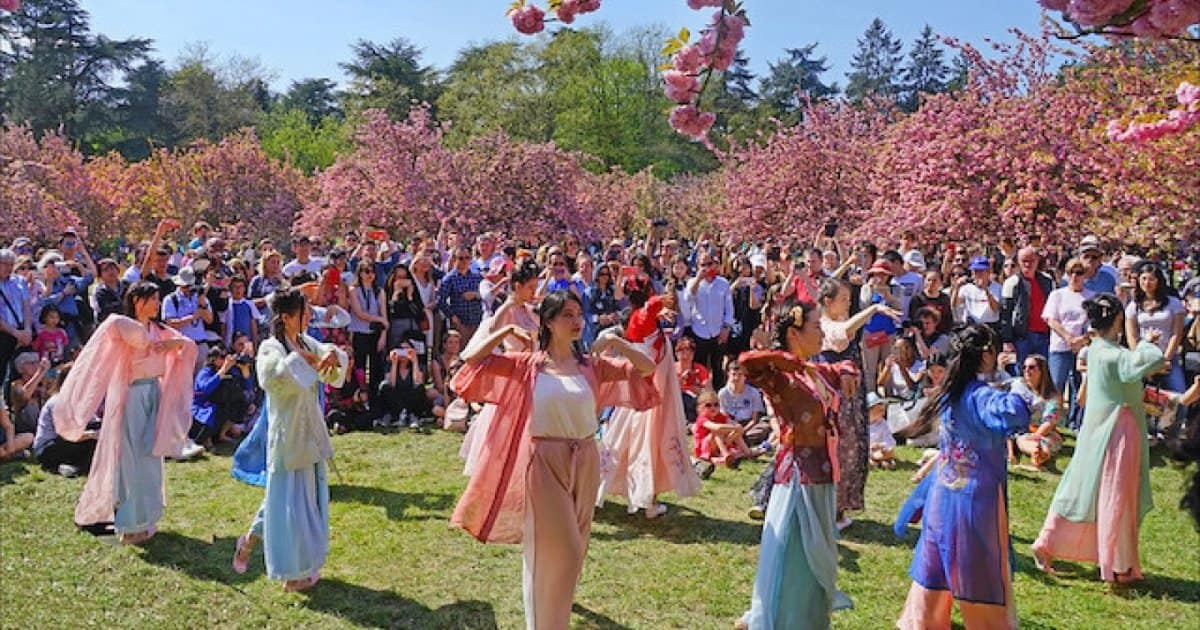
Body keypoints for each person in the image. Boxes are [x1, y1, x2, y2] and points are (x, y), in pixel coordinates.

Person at [449, 290, 657, 630]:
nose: (577, 322)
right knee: (567, 551)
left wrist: (616, 342)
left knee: (571, 554)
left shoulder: (592, 366)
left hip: (586, 459)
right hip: (545, 460)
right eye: (568, 315)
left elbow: (647, 368)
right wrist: (504, 333)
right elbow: (472, 358)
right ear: (548, 322)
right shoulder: (529, 364)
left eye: (579, 315)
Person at [894, 325, 1030, 630]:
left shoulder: (952, 392)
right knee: (977, 569)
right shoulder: (980, 396)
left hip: (944, 493)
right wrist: (1016, 380)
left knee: (936, 565)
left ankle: (925, 622)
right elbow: (1016, 413)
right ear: (987, 355)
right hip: (976, 498)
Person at [735, 302, 857, 630]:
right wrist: (789, 361)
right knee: (796, 554)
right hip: (796, 479)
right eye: (816, 326)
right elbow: (746, 362)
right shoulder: (779, 377)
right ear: (794, 333)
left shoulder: (815, 372)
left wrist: (846, 370)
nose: (822, 332)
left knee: (818, 554)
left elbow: (845, 365)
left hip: (823, 474)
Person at [1032, 294, 1166, 585]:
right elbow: (1151, 361)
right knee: (1117, 495)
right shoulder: (1113, 355)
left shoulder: (1096, 350)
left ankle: (1048, 542)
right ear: (1117, 319)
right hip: (1119, 430)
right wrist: (1146, 342)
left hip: (1101, 429)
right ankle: (1118, 563)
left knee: (1082, 488)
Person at [52, 281, 197, 544]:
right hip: (133, 396)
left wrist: (173, 343)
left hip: (154, 393)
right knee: (131, 459)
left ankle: (146, 518)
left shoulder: (158, 329)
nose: (157, 303)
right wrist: (150, 336)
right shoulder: (125, 327)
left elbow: (188, 347)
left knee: (150, 457)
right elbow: (119, 328)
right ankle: (130, 524)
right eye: (152, 299)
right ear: (138, 301)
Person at [231, 288, 348, 592]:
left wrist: (334, 355)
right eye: (303, 311)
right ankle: (291, 572)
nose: (309, 315)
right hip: (287, 436)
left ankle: (251, 542)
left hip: (310, 431)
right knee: (288, 504)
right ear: (285, 317)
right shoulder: (270, 347)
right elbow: (272, 379)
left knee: (299, 501)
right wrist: (303, 360)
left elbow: (329, 364)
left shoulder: (307, 340)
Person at [597, 277, 701, 517]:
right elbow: (658, 304)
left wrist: (659, 309)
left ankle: (640, 494)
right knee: (649, 440)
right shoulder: (643, 317)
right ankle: (647, 499)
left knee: (634, 438)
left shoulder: (641, 319)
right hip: (655, 392)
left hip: (651, 389)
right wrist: (662, 300)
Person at [458, 261, 541, 476]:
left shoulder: (530, 311)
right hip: (515, 371)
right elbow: (493, 332)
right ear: (517, 286)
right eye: (530, 287)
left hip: (533, 371)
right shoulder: (508, 310)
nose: (534, 291)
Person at [1125, 261, 1187, 435]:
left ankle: (1172, 433)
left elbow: (1177, 333)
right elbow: (1131, 335)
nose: (1147, 283)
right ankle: (1145, 431)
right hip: (1143, 359)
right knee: (1140, 396)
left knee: (1179, 394)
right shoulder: (1134, 306)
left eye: (1151, 279)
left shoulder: (1173, 304)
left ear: (1159, 280)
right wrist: (1140, 358)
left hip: (1168, 357)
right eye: (1143, 279)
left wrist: (1165, 360)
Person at [1043, 257, 1095, 429]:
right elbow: (1051, 319)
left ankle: (1076, 423)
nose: (1074, 276)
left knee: (1079, 386)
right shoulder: (1057, 295)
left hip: (1082, 348)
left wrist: (1082, 340)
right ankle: (1050, 422)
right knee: (1056, 385)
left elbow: (1093, 324)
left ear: (1085, 275)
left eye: (1079, 273)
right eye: (1070, 272)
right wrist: (1068, 337)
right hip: (1059, 346)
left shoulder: (1091, 297)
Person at [33, 366, 98, 477]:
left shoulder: (80, 401)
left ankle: (75, 466)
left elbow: (93, 422)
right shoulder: (58, 402)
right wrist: (92, 434)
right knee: (92, 440)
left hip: (66, 441)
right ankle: (77, 466)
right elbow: (66, 433)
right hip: (48, 449)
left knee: (100, 428)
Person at [687, 252, 734, 390]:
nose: (707, 267)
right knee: (700, 368)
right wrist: (699, 279)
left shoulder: (723, 283)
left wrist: (726, 328)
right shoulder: (692, 282)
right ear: (697, 266)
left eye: (709, 264)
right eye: (703, 264)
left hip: (718, 332)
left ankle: (719, 397)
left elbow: (729, 308)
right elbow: (689, 298)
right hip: (699, 332)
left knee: (718, 367)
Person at [1009, 354, 1065, 471]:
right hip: (1022, 431)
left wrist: (1036, 436)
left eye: (1031, 367)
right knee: (1023, 440)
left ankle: (1040, 454)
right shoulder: (1017, 384)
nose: (1026, 371)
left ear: (1042, 371)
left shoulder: (1052, 395)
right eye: (1024, 367)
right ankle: (1037, 453)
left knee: (1046, 442)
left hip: (1045, 432)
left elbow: (1049, 421)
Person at [1001, 247, 1055, 363]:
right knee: (1022, 371)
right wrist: (1007, 340)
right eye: (1024, 261)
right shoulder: (1011, 283)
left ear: (1037, 260)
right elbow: (1005, 313)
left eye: (1031, 260)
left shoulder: (1048, 281)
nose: (1027, 264)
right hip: (1022, 337)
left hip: (1044, 336)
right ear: (1018, 262)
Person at [347, 262, 388, 411]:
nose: (369, 274)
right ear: (360, 273)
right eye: (366, 271)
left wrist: (383, 334)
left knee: (376, 369)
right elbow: (359, 313)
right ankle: (360, 402)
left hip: (375, 334)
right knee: (360, 369)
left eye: (372, 271)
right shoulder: (354, 290)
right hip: (359, 333)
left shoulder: (380, 291)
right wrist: (379, 320)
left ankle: (376, 404)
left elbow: (384, 316)